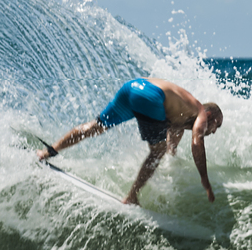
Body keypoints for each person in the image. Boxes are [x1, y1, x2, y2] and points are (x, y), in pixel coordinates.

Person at [36, 78, 223, 206]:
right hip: (151, 95)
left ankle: (48, 151)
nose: (214, 131)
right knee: (156, 152)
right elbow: (197, 142)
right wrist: (205, 180)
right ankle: (132, 197)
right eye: (217, 125)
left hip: (132, 87)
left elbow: (171, 148)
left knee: (97, 126)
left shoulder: (181, 117)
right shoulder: (200, 112)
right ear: (210, 116)